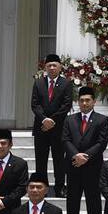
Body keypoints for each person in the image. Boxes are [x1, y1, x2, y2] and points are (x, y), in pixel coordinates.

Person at [62, 88, 108, 214]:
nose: (84, 103)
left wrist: (86, 157)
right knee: (72, 201)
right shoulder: (70, 120)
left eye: (87, 100)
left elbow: (101, 142)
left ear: (94, 102)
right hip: (73, 165)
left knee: (93, 200)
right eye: (81, 100)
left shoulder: (102, 120)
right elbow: (65, 140)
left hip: (93, 167)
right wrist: (76, 155)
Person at [29, 54, 74, 197]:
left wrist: (52, 120)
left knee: (59, 160)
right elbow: (34, 104)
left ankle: (60, 187)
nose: (52, 68)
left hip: (59, 128)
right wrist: (44, 119)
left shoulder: (66, 83)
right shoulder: (38, 83)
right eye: (49, 66)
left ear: (60, 67)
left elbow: (66, 105)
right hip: (41, 128)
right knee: (40, 160)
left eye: (55, 65)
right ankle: (43, 188)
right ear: (45, 67)